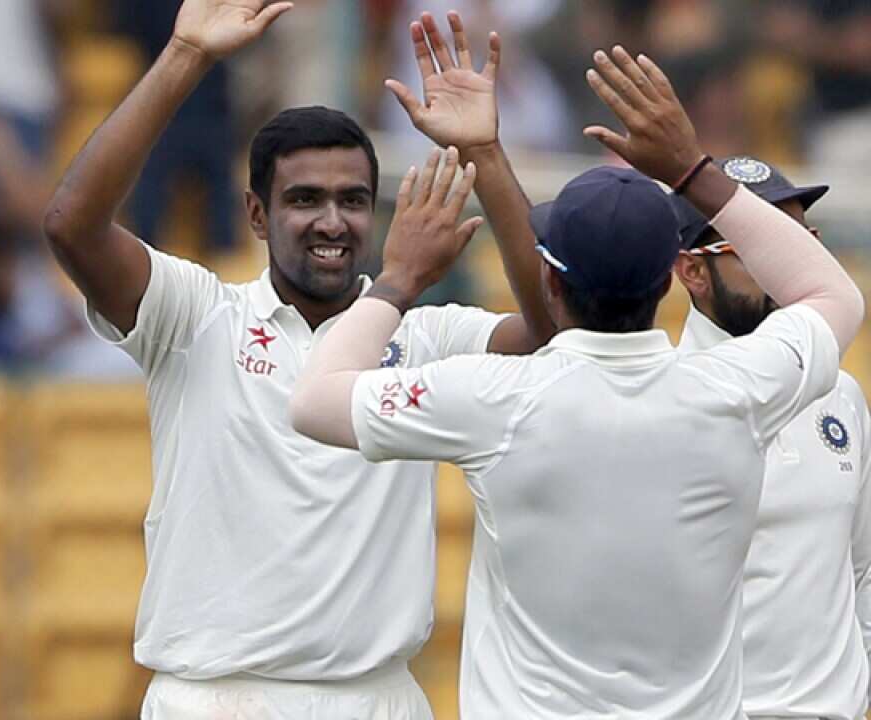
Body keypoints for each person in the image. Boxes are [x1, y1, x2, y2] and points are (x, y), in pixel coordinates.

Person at [290, 24, 864, 719]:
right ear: (667, 283)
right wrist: (691, 168)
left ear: (552, 288)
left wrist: (399, 281)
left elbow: (315, 401)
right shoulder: (736, 391)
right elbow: (831, 294)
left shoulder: (494, 395)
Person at [42, 0, 555, 715]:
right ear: (256, 215)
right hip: (212, 700)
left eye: (352, 200)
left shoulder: (428, 338)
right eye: (304, 199)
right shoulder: (197, 315)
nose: (332, 222)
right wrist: (185, 55)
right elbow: (72, 226)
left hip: (373, 698)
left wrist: (487, 155)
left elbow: (555, 330)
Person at [670, 156, 871, 720]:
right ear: (691, 271)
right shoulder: (661, 400)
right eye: (759, 246)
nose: (790, 268)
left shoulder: (842, 396)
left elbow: (862, 569)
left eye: (799, 241)